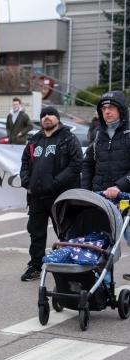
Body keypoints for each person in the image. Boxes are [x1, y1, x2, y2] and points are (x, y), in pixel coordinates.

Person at [20, 106, 83, 281]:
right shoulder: (34, 140)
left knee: (65, 232)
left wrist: (55, 183)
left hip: (60, 195)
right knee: (36, 232)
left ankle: (70, 266)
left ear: (57, 118)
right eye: (44, 115)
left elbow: (76, 164)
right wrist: (27, 181)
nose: (47, 117)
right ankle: (34, 266)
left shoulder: (68, 139)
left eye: (51, 115)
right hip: (37, 197)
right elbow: (25, 163)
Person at [80, 91, 130, 281]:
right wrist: (86, 192)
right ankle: (104, 285)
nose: (106, 112)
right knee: (102, 241)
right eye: (103, 108)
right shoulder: (98, 133)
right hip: (101, 197)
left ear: (121, 110)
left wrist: (119, 186)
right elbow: (88, 164)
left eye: (111, 108)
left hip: (125, 197)